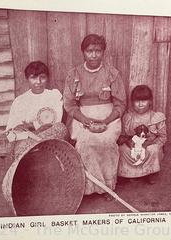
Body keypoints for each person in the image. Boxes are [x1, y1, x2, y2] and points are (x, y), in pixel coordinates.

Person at [63, 34, 126, 197]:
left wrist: (106, 121)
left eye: (98, 51)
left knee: (106, 143)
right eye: (89, 51)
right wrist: (85, 120)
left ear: (103, 52)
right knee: (85, 144)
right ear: (83, 52)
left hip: (109, 115)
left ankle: (107, 187)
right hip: (82, 115)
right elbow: (69, 104)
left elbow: (120, 103)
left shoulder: (112, 73)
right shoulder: (74, 74)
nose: (93, 55)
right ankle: (87, 187)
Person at [117, 85, 167, 184]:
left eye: (144, 100)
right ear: (132, 102)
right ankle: (127, 173)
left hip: (149, 147)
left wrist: (149, 144)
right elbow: (122, 136)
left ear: (150, 102)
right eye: (137, 101)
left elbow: (163, 137)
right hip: (133, 148)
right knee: (122, 149)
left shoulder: (156, 117)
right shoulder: (128, 117)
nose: (140, 104)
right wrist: (128, 142)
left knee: (154, 149)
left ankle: (150, 172)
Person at [5, 61, 65, 142]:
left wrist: (31, 125)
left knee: (60, 128)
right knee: (12, 135)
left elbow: (56, 121)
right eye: (33, 78)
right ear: (27, 79)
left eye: (42, 77)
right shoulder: (20, 100)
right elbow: (13, 126)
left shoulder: (54, 96)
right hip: (27, 137)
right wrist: (21, 128)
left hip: (49, 135)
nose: (38, 82)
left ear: (47, 78)